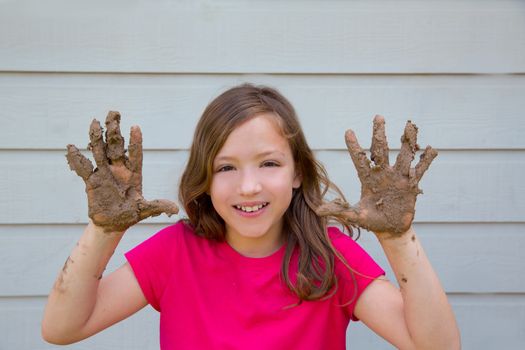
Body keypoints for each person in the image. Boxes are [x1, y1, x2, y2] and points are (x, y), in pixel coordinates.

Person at [41, 84, 460, 349]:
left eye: (269, 164)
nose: (248, 186)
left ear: (297, 171)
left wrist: (399, 238)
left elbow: (438, 346)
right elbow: (61, 328)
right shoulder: (175, 252)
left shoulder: (331, 256)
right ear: (203, 179)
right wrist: (103, 229)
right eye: (226, 168)